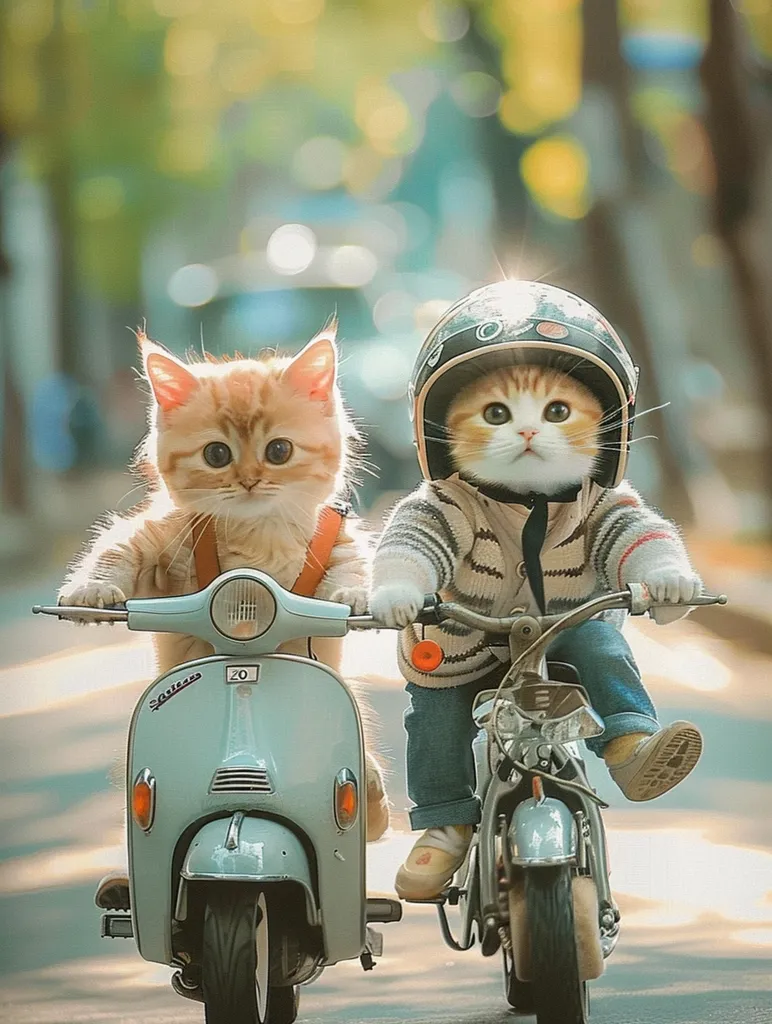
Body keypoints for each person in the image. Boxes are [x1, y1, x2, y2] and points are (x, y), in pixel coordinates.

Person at [366, 281, 704, 899]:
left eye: (555, 413)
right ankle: (443, 823)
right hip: (463, 644)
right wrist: (399, 585)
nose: (526, 432)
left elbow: (636, 532)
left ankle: (629, 742)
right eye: (496, 414)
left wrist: (660, 574)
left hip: (562, 635)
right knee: (435, 720)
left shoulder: (594, 501)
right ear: (443, 430)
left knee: (601, 644)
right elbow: (413, 543)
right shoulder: (450, 500)